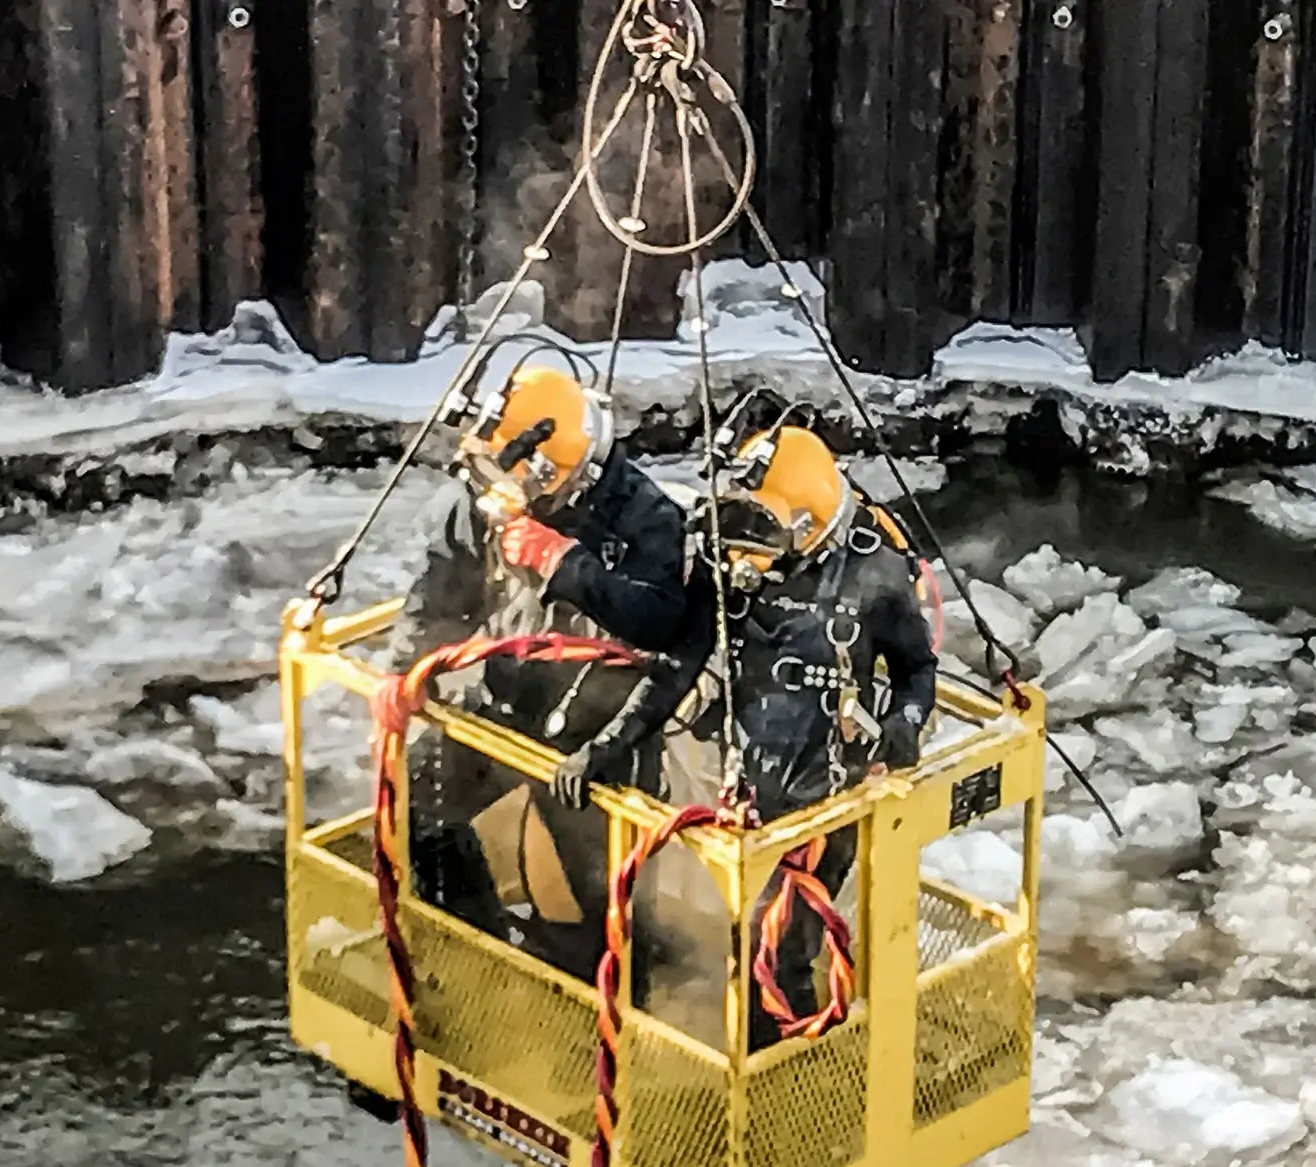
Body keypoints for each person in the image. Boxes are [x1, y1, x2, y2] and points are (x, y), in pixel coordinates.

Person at [554, 421, 938, 1048]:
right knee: (748, 940)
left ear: (809, 530)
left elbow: (917, 668)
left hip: (828, 799)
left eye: (763, 541)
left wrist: (904, 723)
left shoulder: (875, 575)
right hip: (751, 786)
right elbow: (679, 665)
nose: (746, 561)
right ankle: (771, 1059)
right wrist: (608, 745)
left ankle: (799, 1091)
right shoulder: (731, 570)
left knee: (778, 954)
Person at [386, 358, 706, 986]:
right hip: (507, 700)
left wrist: (565, 564)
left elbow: (662, 621)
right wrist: (404, 675)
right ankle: (479, 947)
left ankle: (622, 1003)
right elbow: (440, 593)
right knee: (421, 804)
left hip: (597, 731)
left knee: (601, 889)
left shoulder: (644, 516)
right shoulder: (488, 499)